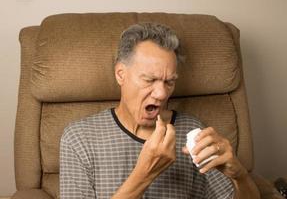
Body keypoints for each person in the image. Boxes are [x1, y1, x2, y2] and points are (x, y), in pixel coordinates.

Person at [60, 22, 260, 199]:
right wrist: (144, 175)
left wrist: (240, 176)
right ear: (121, 74)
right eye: (150, 80)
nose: (162, 94)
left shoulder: (191, 130)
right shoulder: (79, 138)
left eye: (169, 82)